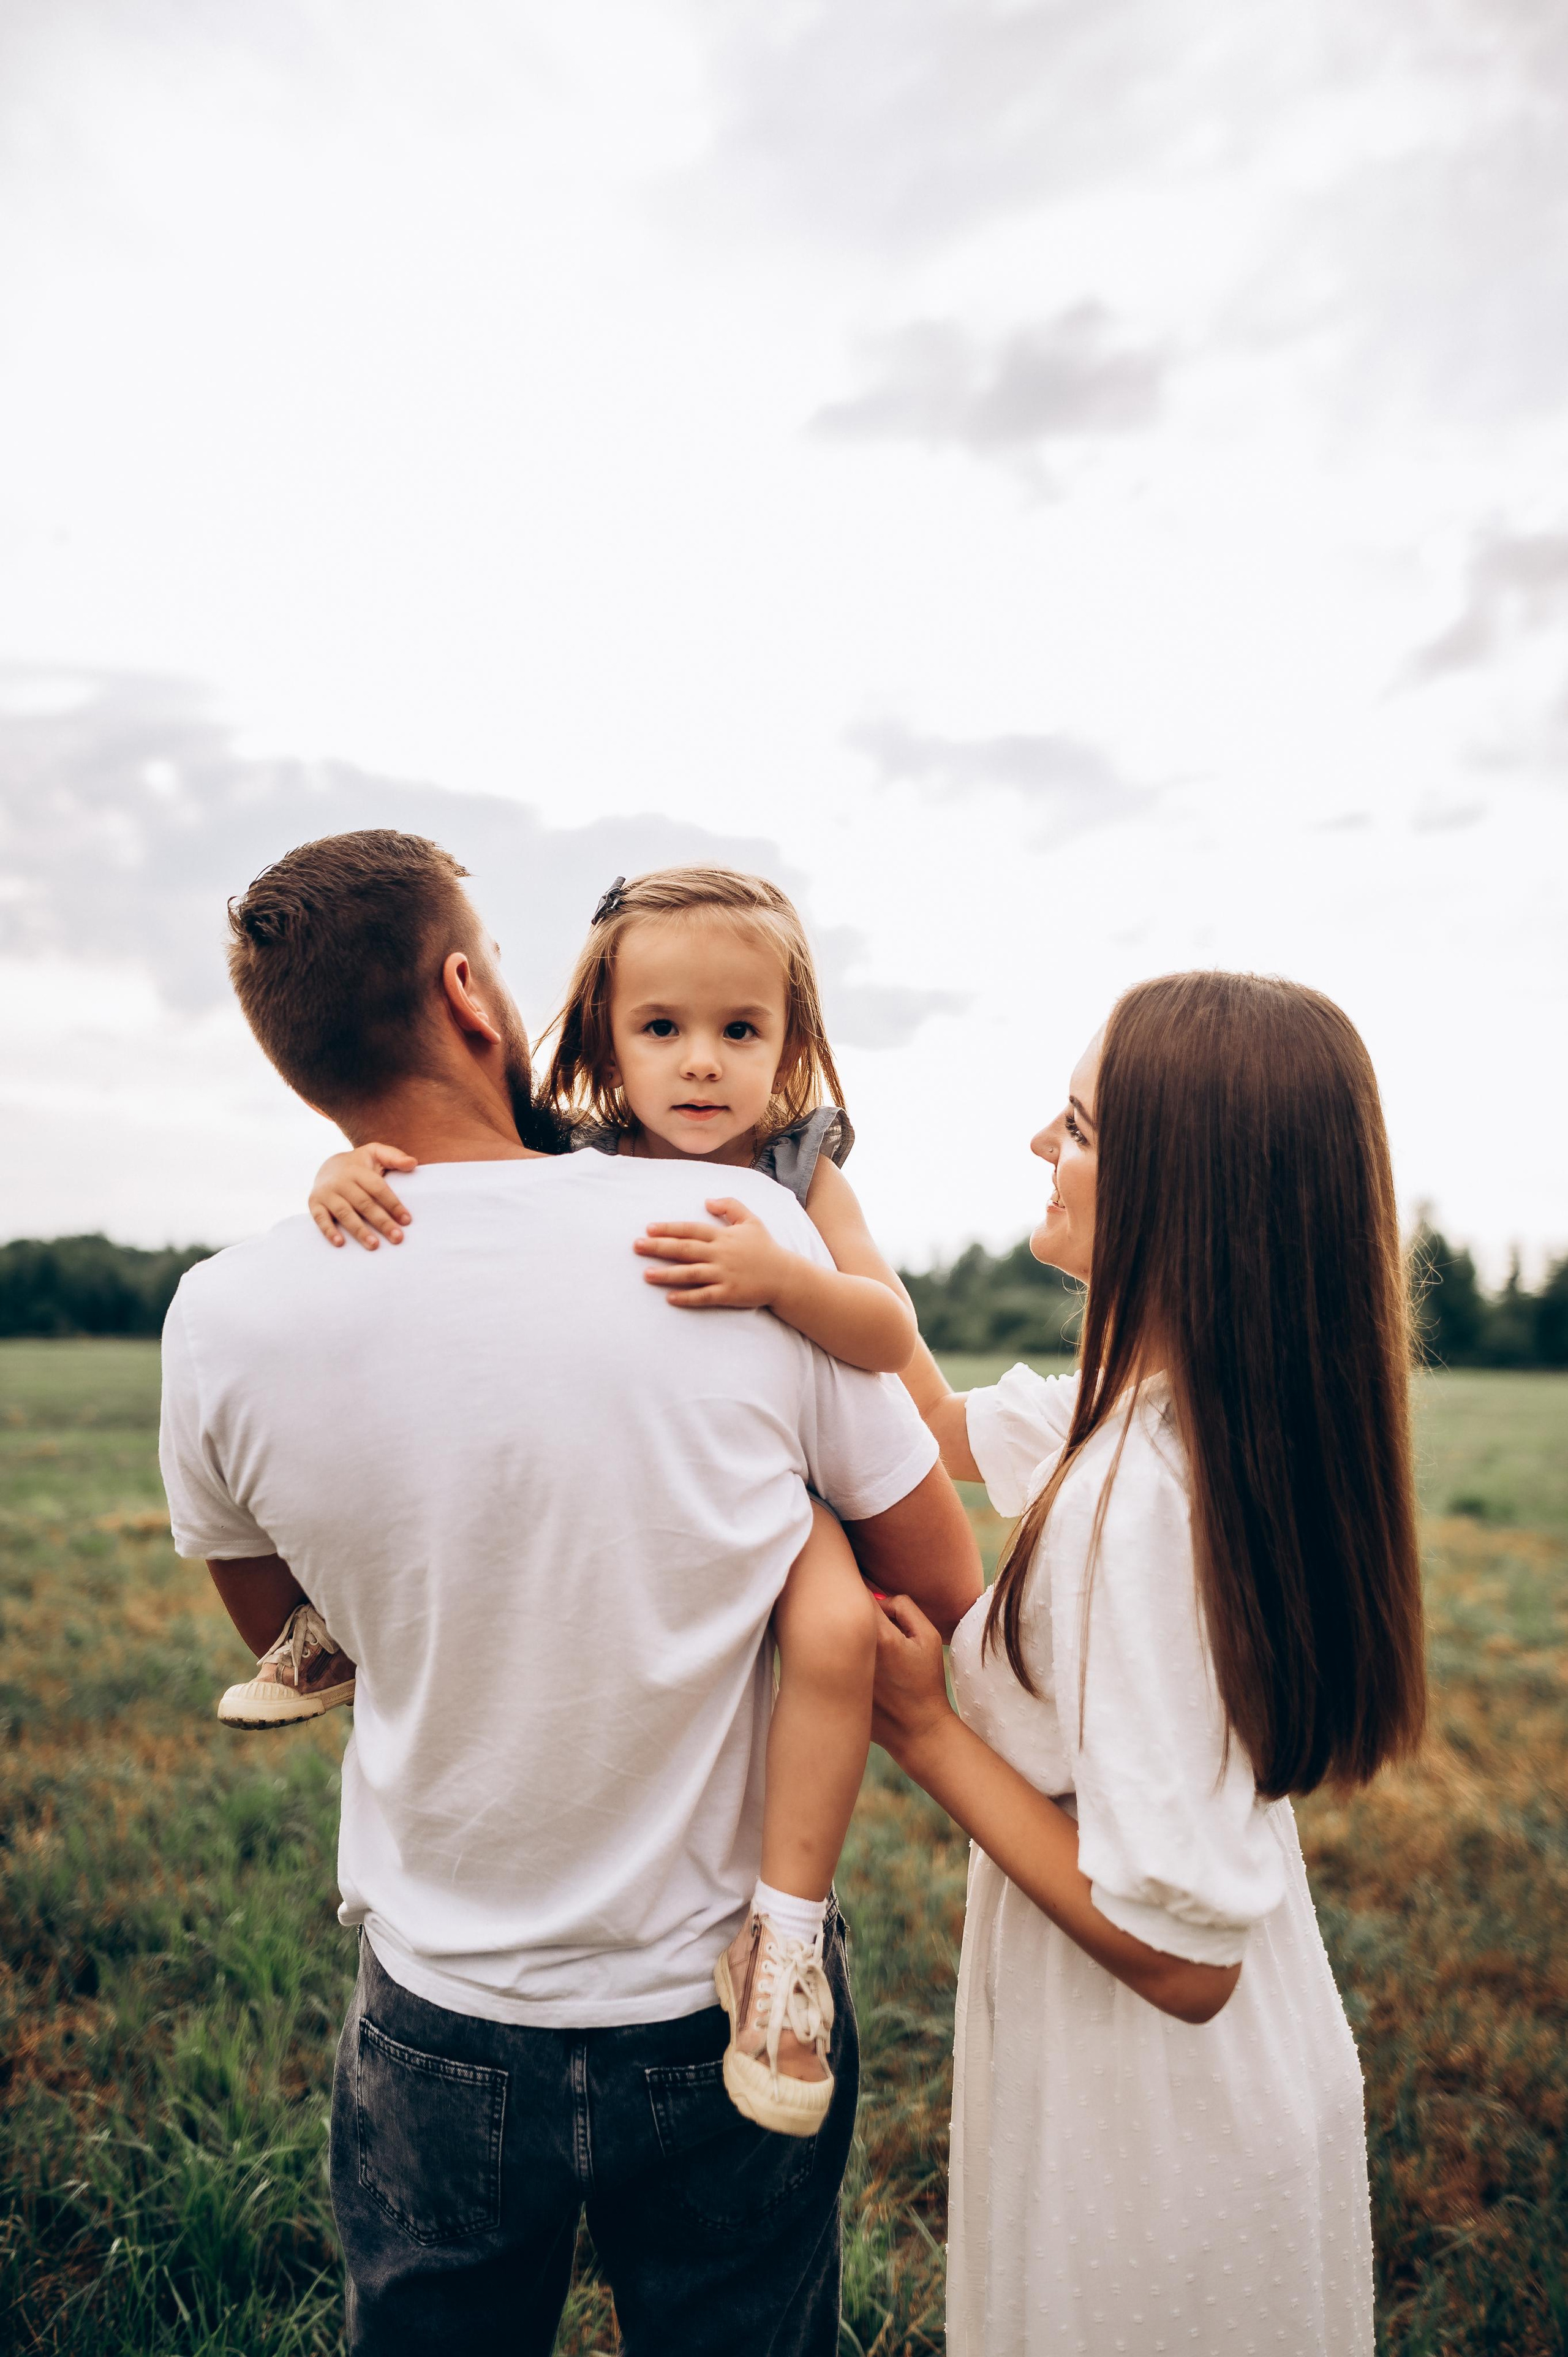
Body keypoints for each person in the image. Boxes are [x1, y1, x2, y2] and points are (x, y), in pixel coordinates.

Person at [159, 828, 981, 2355]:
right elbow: (939, 1578)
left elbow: (277, 1614)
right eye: (660, 1025)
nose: (698, 1058)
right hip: (705, 1999)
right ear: (472, 995)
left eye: (737, 1029)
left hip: (440, 2003)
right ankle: (784, 1933)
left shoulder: (222, 1312)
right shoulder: (723, 1236)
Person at [884, 970, 1427, 2356]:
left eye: (1074, 1126)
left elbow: (1185, 1963)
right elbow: (923, 1416)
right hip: (1204, 2087)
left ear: (1180, 1193)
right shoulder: (1168, 1416)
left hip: (1157, 2125)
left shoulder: (1137, 1501)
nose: (1037, 1143)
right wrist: (805, 1176)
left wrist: (925, 1729)